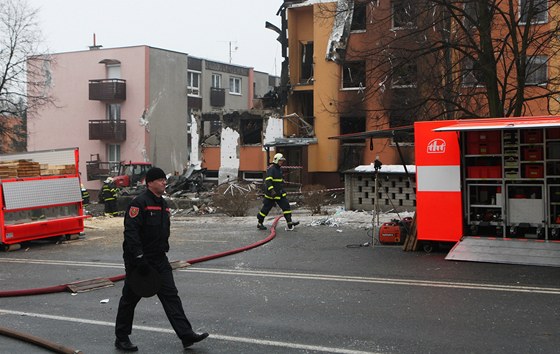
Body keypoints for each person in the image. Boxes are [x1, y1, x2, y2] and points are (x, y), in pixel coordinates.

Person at [114, 167, 209, 351]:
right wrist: (139, 258)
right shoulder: (138, 204)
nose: (164, 182)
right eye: (160, 180)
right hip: (139, 261)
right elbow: (131, 232)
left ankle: (186, 335)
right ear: (150, 183)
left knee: (171, 296)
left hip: (159, 259)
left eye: (164, 180)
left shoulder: (163, 204)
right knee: (130, 299)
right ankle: (122, 337)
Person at [257, 153, 299, 230]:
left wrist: (281, 181)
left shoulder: (279, 169)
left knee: (286, 206)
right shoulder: (271, 169)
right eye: (280, 161)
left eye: (282, 161)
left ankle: (289, 223)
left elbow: (277, 180)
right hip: (271, 194)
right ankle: (260, 223)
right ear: (276, 160)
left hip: (279, 193)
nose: (281, 162)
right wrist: (272, 190)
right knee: (265, 209)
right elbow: (268, 181)